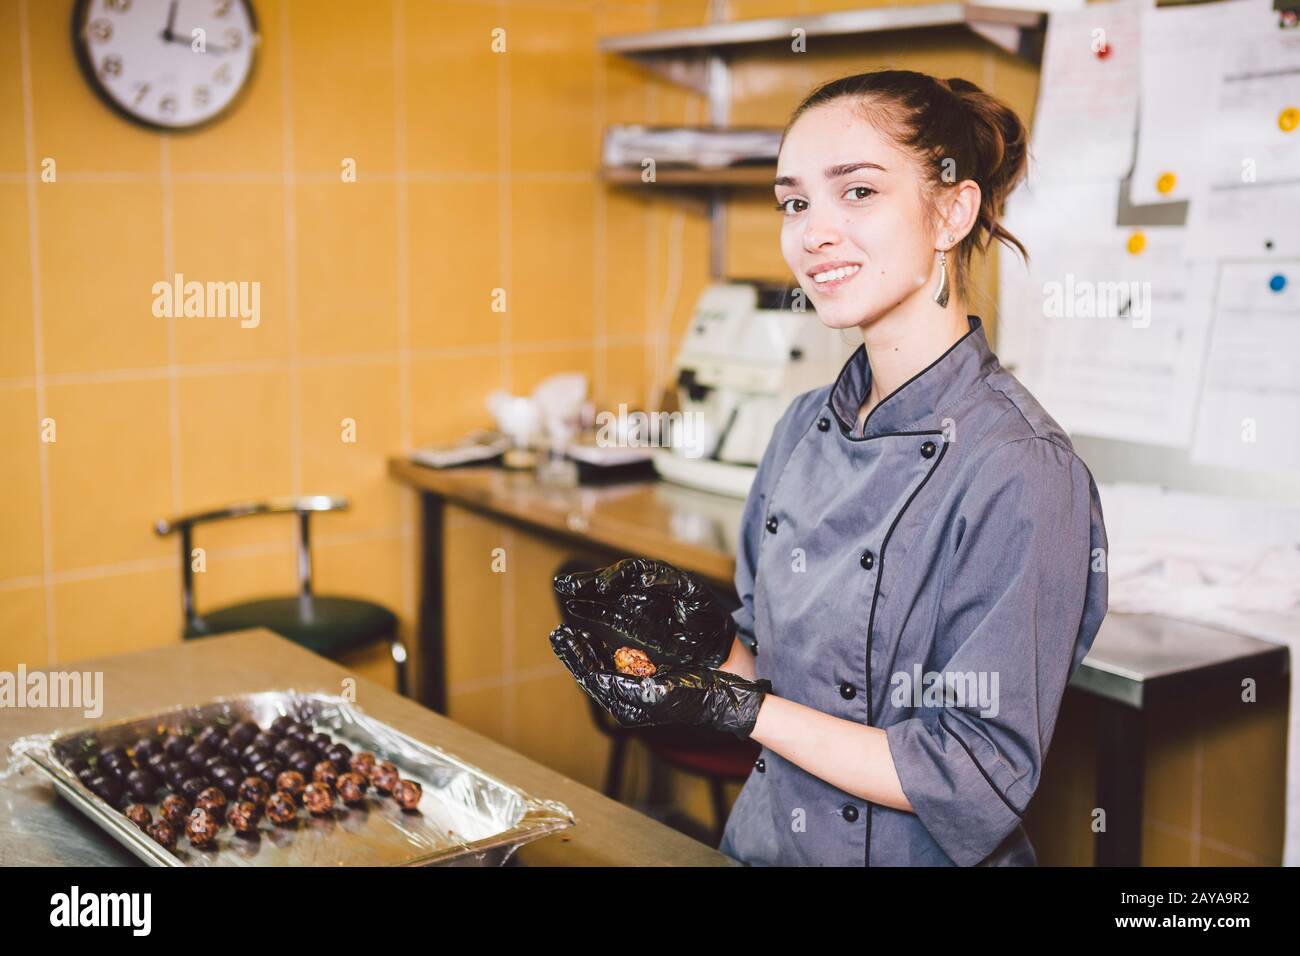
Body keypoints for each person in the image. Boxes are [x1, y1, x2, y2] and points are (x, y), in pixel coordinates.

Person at [550, 69, 1108, 867]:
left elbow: (974, 773)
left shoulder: (1020, 470)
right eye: (795, 202)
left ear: (953, 209)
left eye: (858, 193)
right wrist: (702, 647)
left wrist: (735, 707)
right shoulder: (802, 427)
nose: (813, 232)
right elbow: (776, 676)